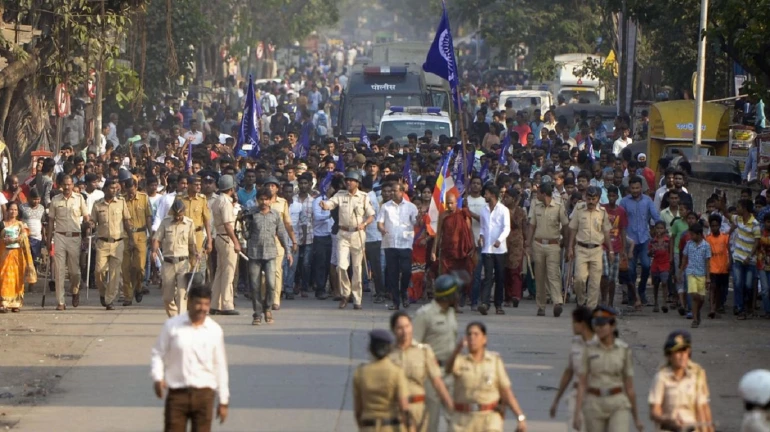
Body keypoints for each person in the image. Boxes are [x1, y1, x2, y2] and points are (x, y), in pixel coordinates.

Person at [150, 286, 229, 432]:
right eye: (198, 303)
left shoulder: (214, 330)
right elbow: (158, 353)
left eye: (206, 304)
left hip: (204, 396)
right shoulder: (172, 326)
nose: (202, 308)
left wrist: (223, 400)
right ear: (189, 302)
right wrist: (157, 377)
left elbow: (220, 366)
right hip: (177, 395)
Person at [445, 321, 528, 432]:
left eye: (476, 334)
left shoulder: (494, 361)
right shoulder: (460, 361)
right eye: (469, 334)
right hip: (463, 420)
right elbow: (448, 369)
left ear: (484, 339)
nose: (472, 338)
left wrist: (520, 417)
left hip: (489, 420)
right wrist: (457, 350)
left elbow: (506, 391)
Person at [574, 306, 643, 432]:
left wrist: (636, 418)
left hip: (618, 403)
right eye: (596, 324)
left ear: (612, 326)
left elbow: (630, 387)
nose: (599, 328)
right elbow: (582, 383)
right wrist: (577, 412)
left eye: (603, 324)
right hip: (594, 403)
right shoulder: (588, 349)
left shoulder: (624, 350)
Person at [389, 311, 454, 432]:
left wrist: (451, 407)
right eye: (400, 328)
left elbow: (437, 382)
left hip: (419, 411)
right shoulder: (388, 354)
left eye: (407, 326)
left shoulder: (423, 352)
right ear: (393, 330)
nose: (405, 332)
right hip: (395, 411)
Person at [320, 170, 375, 310]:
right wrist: (324, 205)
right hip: (342, 233)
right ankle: (345, 293)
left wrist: (364, 224)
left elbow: (371, 215)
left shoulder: (363, 197)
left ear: (357, 183)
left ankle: (357, 299)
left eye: (352, 180)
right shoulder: (340, 195)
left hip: (357, 234)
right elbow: (330, 204)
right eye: (347, 180)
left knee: (357, 268)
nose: (349, 182)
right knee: (341, 266)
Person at [413, 274, 460, 432]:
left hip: (450, 373)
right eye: (456, 293)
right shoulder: (424, 315)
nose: (458, 296)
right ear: (448, 295)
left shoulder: (451, 313)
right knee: (429, 423)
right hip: (430, 376)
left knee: (456, 421)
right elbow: (414, 347)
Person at [649, 330, 714, 432]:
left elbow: (701, 407)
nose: (682, 356)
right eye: (678, 352)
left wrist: (707, 429)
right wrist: (667, 420)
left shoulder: (696, 376)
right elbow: (654, 410)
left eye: (685, 351)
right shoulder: (662, 377)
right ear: (669, 356)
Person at [244, 189, 291, 325]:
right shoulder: (252, 214)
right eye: (261, 199)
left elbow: (281, 233)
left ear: (270, 200)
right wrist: (244, 222)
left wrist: (288, 251)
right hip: (254, 253)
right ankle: (257, 313)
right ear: (257, 200)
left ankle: (268, 308)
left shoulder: (275, 215)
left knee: (271, 284)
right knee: (255, 285)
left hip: (270, 254)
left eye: (266, 199)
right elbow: (245, 234)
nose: (263, 202)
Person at [352, 329, 412, 432]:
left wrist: (363, 427)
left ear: (370, 348)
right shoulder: (396, 372)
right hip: (391, 427)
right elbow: (403, 406)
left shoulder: (360, 373)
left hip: (369, 426)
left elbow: (358, 410)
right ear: (389, 349)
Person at [549, 306, 597, 431]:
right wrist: (556, 400)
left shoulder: (600, 345)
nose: (572, 326)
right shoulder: (575, 343)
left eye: (574, 322)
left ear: (582, 324)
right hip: (576, 396)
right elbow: (569, 372)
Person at [47, 174, 90, 310]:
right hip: (59, 236)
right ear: (61, 185)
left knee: (75, 272)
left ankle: (75, 291)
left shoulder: (79, 199)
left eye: (69, 184)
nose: (67, 187)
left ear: (73, 185)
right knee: (59, 271)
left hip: (75, 237)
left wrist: (87, 234)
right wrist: (48, 240)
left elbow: (86, 218)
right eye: (64, 184)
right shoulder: (55, 200)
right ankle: (60, 302)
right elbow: (51, 221)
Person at [527, 182, 569, 316]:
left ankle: (557, 302)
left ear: (544, 194)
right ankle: (541, 305)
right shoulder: (535, 206)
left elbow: (566, 226)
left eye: (538, 193)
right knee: (539, 276)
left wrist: (567, 246)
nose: (536, 195)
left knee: (553, 274)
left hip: (553, 245)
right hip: (538, 244)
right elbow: (532, 226)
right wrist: (527, 244)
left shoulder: (558, 206)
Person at [567, 186, 613, 309]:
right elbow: (573, 229)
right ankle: (581, 300)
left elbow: (607, 232)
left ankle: (591, 307)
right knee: (579, 279)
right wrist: (570, 247)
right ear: (585, 198)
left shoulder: (602, 212)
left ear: (598, 199)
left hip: (597, 249)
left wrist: (611, 250)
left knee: (594, 281)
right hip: (581, 248)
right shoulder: (579, 208)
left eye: (593, 199)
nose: (591, 201)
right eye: (589, 198)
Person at [90, 178, 133, 310]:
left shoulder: (121, 202)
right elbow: (93, 221)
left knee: (115, 273)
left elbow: (126, 221)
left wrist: (131, 238)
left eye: (116, 188)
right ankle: (103, 293)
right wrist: (89, 226)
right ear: (105, 189)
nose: (114, 191)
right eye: (111, 188)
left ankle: (109, 300)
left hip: (118, 243)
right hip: (102, 243)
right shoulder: (97, 205)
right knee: (99, 272)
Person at [151, 199, 198, 317]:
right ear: (172, 213)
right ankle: (174, 318)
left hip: (183, 262)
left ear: (184, 213)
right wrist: (154, 251)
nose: (178, 218)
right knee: (167, 297)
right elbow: (157, 239)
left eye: (180, 215)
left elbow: (192, 243)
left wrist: (196, 254)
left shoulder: (189, 223)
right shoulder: (165, 222)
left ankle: (181, 321)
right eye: (176, 215)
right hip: (168, 263)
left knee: (182, 295)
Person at [620, 176, 661, 306]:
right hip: (629, 240)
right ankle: (633, 295)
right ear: (629, 188)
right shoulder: (624, 202)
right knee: (630, 270)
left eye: (638, 187)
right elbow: (621, 222)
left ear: (641, 187)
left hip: (644, 239)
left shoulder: (648, 201)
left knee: (646, 265)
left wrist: (661, 229)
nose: (635, 190)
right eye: (633, 188)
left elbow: (656, 216)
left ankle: (642, 291)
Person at [379, 182, 418, 310]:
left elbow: (416, 221)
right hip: (390, 243)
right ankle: (396, 302)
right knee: (393, 273)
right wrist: (382, 229)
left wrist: (421, 219)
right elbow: (379, 222)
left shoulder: (411, 207)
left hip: (405, 243)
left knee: (406, 271)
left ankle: (404, 292)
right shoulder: (385, 206)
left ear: (402, 192)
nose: (392, 193)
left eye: (395, 191)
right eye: (391, 191)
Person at [430, 193, 474, 304]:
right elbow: (438, 234)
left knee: (459, 277)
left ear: (456, 203)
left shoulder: (463, 214)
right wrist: (434, 251)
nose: (449, 205)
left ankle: (457, 302)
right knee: (445, 277)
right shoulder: (443, 215)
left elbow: (469, 231)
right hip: (446, 251)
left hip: (460, 252)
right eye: (447, 203)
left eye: (451, 203)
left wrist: (472, 247)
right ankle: (445, 302)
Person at [210, 175, 241, 316]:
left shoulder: (217, 200)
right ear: (231, 188)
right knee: (229, 272)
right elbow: (228, 224)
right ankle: (227, 304)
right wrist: (235, 241)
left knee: (220, 271)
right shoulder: (226, 202)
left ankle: (215, 303)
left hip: (219, 237)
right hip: (227, 238)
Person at [478, 184, 511, 315]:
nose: (484, 196)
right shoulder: (483, 210)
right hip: (487, 249)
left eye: (486, 193)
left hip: (499, 250)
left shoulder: (503, 210)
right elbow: (482, 227)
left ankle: (498, 305)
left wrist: (500, 240)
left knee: (499, 277)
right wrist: (481, 237)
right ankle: (485, 303)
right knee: (487, 277)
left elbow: (506, 228)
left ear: (492, 194)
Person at [122, 178, 152, 304]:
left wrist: (151, 234)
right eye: (128, 191)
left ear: (136, 187)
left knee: (139, 267)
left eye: (132, 191)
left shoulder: (144, 198)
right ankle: (128, 296)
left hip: (140, 234)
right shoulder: (121, 199)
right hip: (125, 235)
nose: (131, 194)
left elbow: (148, 217)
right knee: (126, 267)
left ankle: (138, 287)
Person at [0, 202, 34, 313]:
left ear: (18, 212)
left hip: (18, 255)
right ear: (7, 210)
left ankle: (16, 303)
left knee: (18, 279)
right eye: (11, 209)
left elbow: (24, 235)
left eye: (15, 210)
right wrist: (4, 241)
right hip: (4, 255)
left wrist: (14, 240)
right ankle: (4, 303)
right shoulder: (2, 225)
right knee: (4, 278)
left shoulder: (21, 225)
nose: (13, 212)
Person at [731, 199, 760, 320]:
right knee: (738, 284)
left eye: (738, 207)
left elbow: (757, 242)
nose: (737, 209)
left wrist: (749, 256)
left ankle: (747, 305)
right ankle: (740, 308)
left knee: (748, 285)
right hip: (738, 257)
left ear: (745, 208)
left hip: (750, 260)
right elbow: (727, 215)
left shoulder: (755, 224)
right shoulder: (738, 219)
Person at [679, 223, 712, 328]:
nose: (691, 237)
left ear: (699, 234)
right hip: (691, 272)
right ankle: (695, 319)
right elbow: (684, 258)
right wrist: (680, 271)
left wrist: (708, 277)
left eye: (692, 235)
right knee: (694, 295)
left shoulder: (706, 245)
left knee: (701, 298)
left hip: (701, 274)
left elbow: (707, 262)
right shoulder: (689, 244)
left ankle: (696, 311)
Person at [178, 175, 213, 269]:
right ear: (189, 185)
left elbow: (206, 220)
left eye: (199, 184)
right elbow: (173, 217)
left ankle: (195, 283)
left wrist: (209, 240)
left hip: (197, 235)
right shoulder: (179, 198)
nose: (199, 187)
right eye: (196, 184)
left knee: (196, 262)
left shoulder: (202, 199)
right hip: (183, 234)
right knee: (183, 262)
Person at [503, 188, 527, 307]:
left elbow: (519, 224)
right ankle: (507, 297)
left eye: (507, 197)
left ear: (513, 199)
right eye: (504, 197)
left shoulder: (520, 211)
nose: (505, 199)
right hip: (503, 242)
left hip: (516, 243)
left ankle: (516, 296)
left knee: (515, 270)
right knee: (505, 271)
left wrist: (526, 244)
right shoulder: (501, 210)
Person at [649, 220, 671, 313]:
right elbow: (649, 254)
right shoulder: (653, 241)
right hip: (656, 264)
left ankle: (664, 302)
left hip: (665, 263)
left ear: (665, 230)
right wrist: (652, 251)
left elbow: (670, 251)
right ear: (654, 229)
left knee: (664, 282)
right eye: (657, 228)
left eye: (661, 228)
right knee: (656, 285)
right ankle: (656, 303)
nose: (659, 230)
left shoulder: (668, 240)